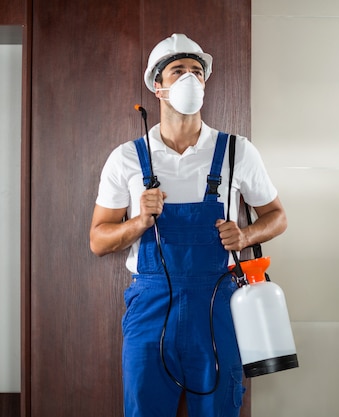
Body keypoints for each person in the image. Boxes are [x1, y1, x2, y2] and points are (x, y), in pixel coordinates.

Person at [89, 33, 287, 417]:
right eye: (178, 71)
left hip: (218, 304)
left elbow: (277, 217)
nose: (190, 79)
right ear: (157, 87)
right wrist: (139, 222)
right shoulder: (127, 158)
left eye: (197, 72)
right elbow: (99, 239)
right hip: (150, 306)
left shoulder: (236, 151)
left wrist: (245, 234)